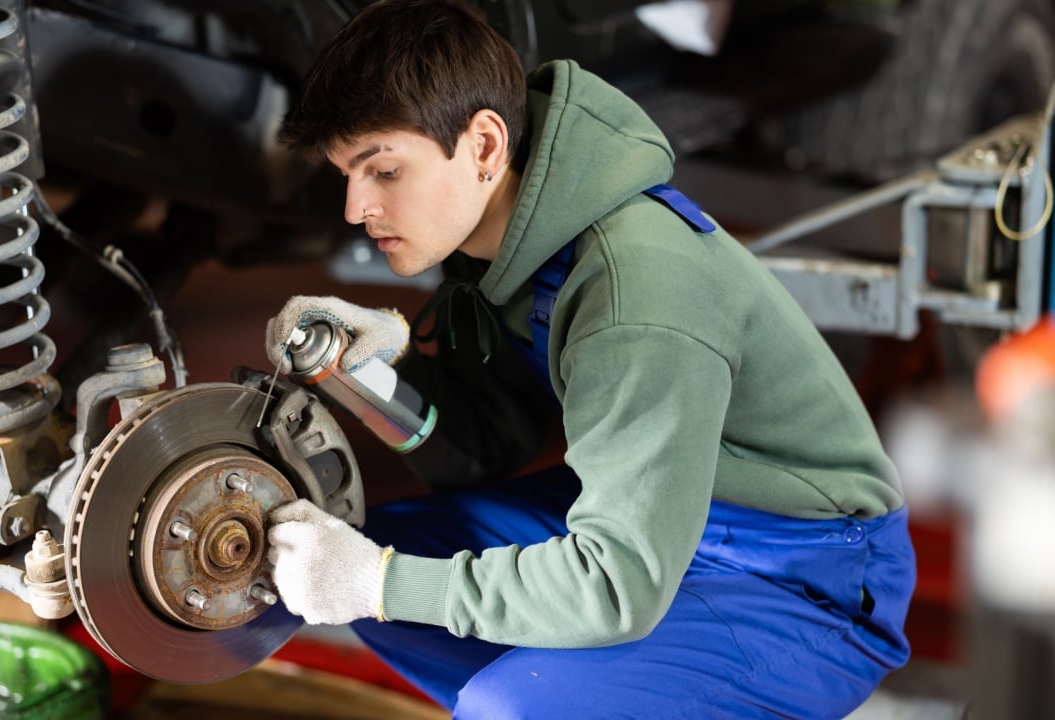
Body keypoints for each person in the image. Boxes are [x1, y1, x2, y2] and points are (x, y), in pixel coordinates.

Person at [263, 1, 917, 717]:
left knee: (502, 699)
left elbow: (616, 583)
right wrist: (369, 373)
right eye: (346, 176)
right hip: (674, 519)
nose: (356, 208)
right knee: (380, 551)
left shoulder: (634, 291)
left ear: (484, 145)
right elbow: (485, 450)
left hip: (806, 578)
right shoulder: (504, 247)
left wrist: (380, 585)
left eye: (383, 170)